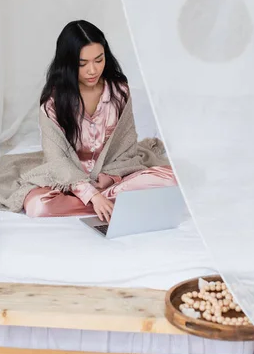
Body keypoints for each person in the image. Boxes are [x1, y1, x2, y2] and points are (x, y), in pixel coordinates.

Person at [24, 20, 176, 220]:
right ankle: (112, 204)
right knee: (38, 207)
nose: (93, 70)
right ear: (68, 63)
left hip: (111, 178)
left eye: (99, 60)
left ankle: (104, 202)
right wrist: (91, 194)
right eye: (82, 64)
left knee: (170, 179)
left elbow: (126, 147)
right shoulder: (53, 102)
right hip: (69, 181)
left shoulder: (119, 91)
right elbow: (57, 160)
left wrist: (109, 178)